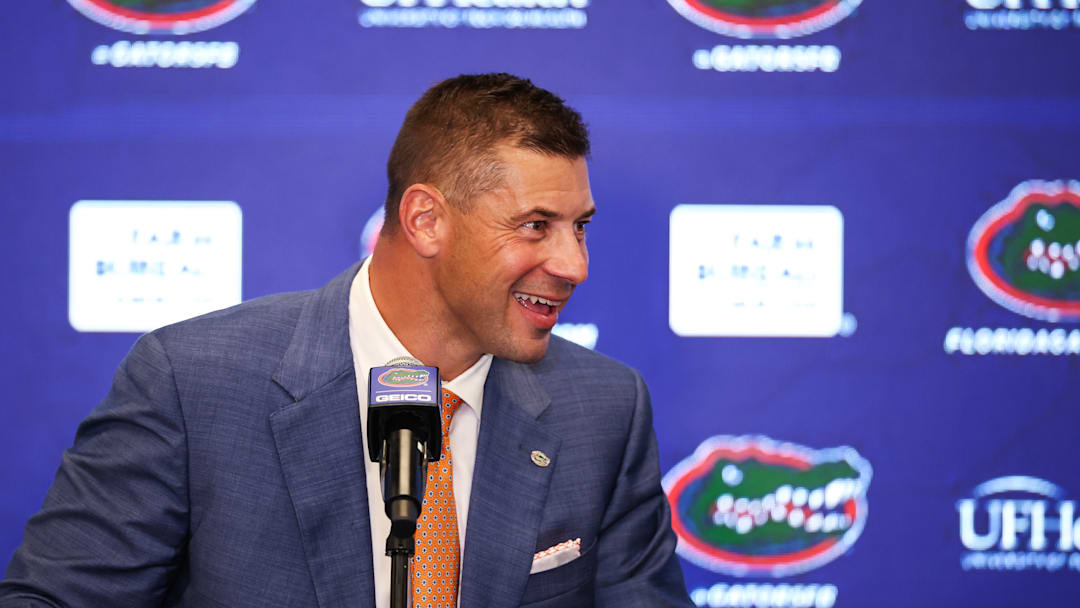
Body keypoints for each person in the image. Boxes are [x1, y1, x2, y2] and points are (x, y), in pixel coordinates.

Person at [0, 73, 691, 607]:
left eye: (581, 226)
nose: (575, 265)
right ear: (425, 220)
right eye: (536, 225)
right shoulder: (192, 383)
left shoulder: (604, 408)